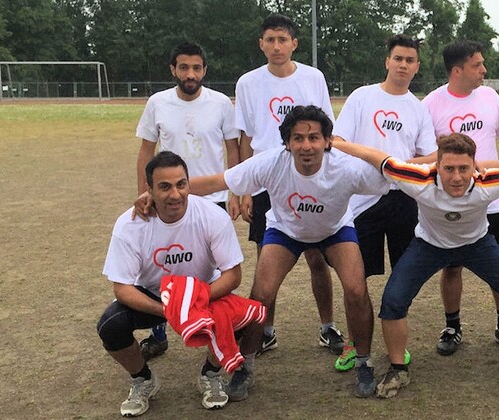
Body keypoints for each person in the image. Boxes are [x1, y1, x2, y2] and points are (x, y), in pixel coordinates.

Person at [333, 133, 499, 398]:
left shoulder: (491, 181)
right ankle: (397, 369)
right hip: (428, 246)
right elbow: (377, 157)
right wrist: (338, 144)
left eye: (464, 169)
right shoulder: (418, 179)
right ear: (436, 167)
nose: (457, 177)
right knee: (393, 301)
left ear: (476, 167)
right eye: (449, 169)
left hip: (478, 244)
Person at [174, 105, 389, 399]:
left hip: (334, 230)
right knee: (261, 294)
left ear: (328, 141)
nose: (306, 145)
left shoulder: (346, 166)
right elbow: (218, 182)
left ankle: (364, 362)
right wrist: (168, 192)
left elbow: (390, 174)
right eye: (298, 138)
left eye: (314, 137)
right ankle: (244, 367)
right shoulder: (271, 163)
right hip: (285, 230)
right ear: (286, 143)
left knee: (355, 289)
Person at [97, 152, 245, 416]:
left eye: (181, 184)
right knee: (111, 325)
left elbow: (232, 275)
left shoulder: (211, 215)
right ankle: (142, 379)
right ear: (149, 190)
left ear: (189, 184)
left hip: (201, 291)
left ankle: (211, 374)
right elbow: (122, 288)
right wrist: (168, 310)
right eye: (164, 187)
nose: (175, 194)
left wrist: (194, 301)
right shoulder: (129, 224)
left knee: (239, 316)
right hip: (154, 296)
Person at [234, 14, 344, 355]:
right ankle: (265, 329)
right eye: (270, 39)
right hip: (267, 180)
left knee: (316, 257)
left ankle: (327, 326)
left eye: (283, 39)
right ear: (261, 44)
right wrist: (245, 188)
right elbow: (246, 138)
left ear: (294, 43)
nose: (276, 46)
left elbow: (328, 133)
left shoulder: (313, 78)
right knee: (267, 259)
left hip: (307, 176)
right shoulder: (248, 83)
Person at [422, 39, 499, 356]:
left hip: (491, 202)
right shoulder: (431, 104)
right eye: (478, 65)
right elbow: (422, 154)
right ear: (457, 70)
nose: (484, 70)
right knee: (451, 267)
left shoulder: (488, 96)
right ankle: (452, 326)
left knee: (497, 267)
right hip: (451, 203)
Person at [331, 34, 436, 371]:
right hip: (362, 203)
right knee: (355, 282)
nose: (403, 65)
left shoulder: (418, 108)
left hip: (403, 200)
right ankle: (354, 344)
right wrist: (376, 162)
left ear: (417, 67)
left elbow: (429, 154)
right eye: (398, 59)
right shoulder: (362, 97)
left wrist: (401, 167)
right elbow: (337, 141)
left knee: (402, 279)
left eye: (410, 61)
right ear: (387, 61)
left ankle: (395, 345)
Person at [134, 41, 241, 361]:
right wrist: (144, 192)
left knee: (215, 267)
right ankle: (158, 330)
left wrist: (235, 191)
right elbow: (145, 152)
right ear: (173, 70)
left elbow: (233, 150)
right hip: (166, 198)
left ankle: (219, 324)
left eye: (196, 68)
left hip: (213, 200)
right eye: (184, 67)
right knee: (161, 265)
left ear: (205, 70)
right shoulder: (158, 103)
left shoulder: (221, 103)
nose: (190, 74)